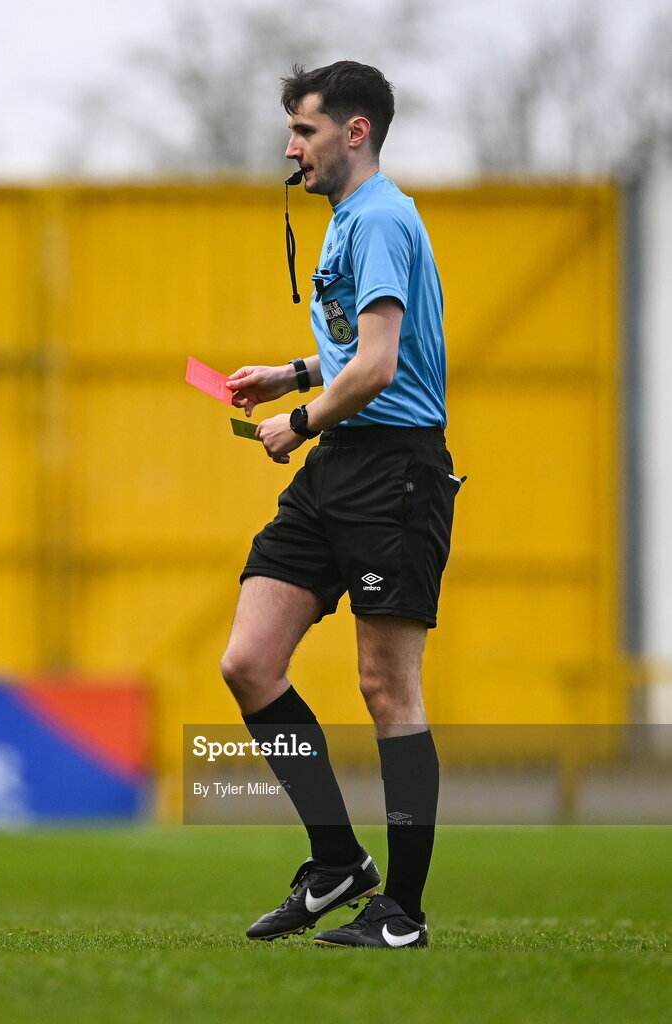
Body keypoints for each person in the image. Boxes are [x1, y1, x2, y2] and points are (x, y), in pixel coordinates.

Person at [220, 61, 463, 949]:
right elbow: (351, 346)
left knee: (386, 687)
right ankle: (336, 863)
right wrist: (290, 372)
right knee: (249, 661)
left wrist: (297, 418)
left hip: (393, 471)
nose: (292, 148)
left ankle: (403, 913)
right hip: (339, 469)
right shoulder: (348, 221)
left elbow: (382, 365)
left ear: (354, 132)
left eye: (306, 130)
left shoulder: (384, 217)